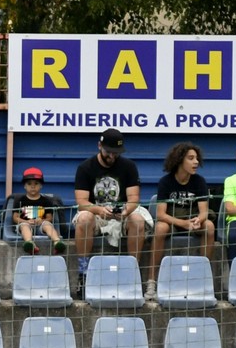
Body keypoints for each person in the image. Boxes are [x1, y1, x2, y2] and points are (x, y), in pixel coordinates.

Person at [73, 128, 150, 294]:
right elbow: (81, 202)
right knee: (84, 218)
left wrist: (125, 211)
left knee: (137, 219)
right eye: (109, 152)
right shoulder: (85, 168)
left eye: (117, 153)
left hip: (121, 213)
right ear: (99, 146)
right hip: (96, 213)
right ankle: (83, 273)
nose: (112, 156)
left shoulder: (129, 166)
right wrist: (99, 210)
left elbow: (134, 198)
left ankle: (132, 273)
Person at [147, 142, 215, 299]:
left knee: (209, 226)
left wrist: (199, 219)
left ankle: (205, 279)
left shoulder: (199, 181)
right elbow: (161, 214)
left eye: (197, 158)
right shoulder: (166, 182)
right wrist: (183, 223)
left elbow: (204, 211)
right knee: (160, 228)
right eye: (191, 158)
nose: (196, 162)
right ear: (179, 160)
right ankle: (152, 281)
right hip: (173, 219)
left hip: (193, 217)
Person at [12, 167, 66, 255]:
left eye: (36, 183)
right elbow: (15, 217)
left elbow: (50, 218)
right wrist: (26, 221)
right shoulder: (20, 200)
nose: (33, 186)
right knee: (24, 226)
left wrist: (42, 221)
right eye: (29, 184)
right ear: (24, 186)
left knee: (48, 225)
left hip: (41, 225)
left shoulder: (46, 201)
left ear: (41, 185)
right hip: (25, 224)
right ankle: (29, 243)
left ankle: (57, 242)